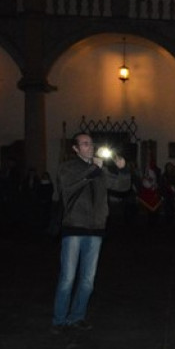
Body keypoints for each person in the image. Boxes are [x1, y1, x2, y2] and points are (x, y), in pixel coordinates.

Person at [51, 133, 130, 332]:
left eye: (91, 143)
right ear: (75, 149)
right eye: (85, 144)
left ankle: (77, 316)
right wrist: (94, 168)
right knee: (68, 278)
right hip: (74, 228)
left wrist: (123, 170)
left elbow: (122, 186)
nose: (90, 147)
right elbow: (69, 187)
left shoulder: (100, 169)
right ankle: (59, 319)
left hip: (96, 229)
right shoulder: (67, 168)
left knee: (88, 280)